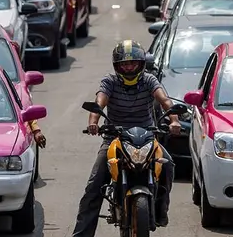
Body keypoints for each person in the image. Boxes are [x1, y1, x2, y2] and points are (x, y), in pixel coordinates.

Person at [72, 41, 180, 236]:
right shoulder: (110, 81)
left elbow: (164, 100)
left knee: (168, 165)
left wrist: (174, 120)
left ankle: (160, 209)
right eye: (124, 64)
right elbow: (99, 102)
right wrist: (93, 122)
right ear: (117, 66)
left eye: (133, 63)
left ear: (141, 64)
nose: (129, 67)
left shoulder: (149, 80)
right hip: (115, 138)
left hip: (147, 137)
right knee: (94, 186)